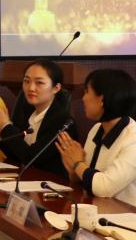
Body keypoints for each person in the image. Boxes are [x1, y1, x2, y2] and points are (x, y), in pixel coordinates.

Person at [0, 59, 77, 175]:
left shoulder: (63, 122)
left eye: (39, 83)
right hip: (26, 180)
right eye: (26, 81)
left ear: (56, 88)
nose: (31, 88)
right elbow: (17, 156)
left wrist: (5, 126)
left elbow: (32, 158)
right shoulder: (26, 114)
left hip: (50, 183)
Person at [57, 69, 136, 207]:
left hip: (125, 215)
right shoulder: (96, 129)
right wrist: (73, 170)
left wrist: (77, 163)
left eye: (87, 92)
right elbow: (87, 179)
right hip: (96, 209)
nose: (83, 98)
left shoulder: (133, 138)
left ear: (101, 99)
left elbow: (104, 188)